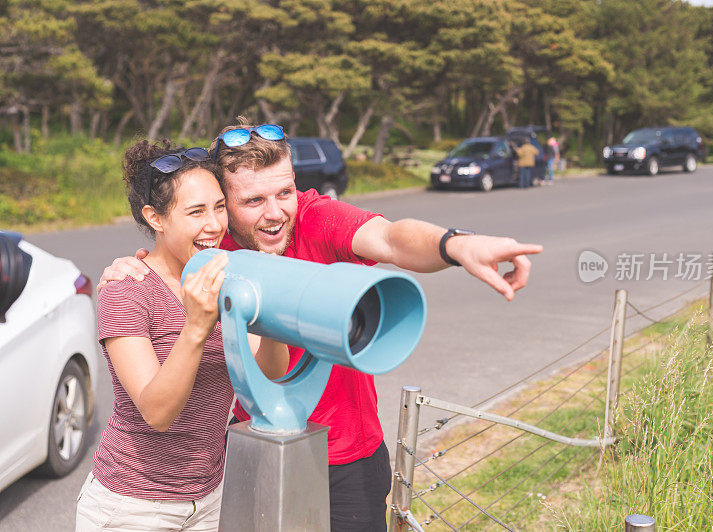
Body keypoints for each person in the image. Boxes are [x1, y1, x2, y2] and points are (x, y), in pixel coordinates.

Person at [98, 121, 543, 531]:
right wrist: (131, 269)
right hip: (252, 452)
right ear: (226, 205)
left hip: (348, 455)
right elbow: (168, 246)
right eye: (252, 201)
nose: (275, 213)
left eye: (285, 192)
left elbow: (390, 239)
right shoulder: (215, 245)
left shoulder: (315, 217)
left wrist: (456, 245)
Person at [76, 140, 288, 532]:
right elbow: (157, 413)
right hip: (131, 506)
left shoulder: (227, 277)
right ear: (155, 218)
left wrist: (269, 311)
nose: (214, 225)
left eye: (219, 207)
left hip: (208, 499)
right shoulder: (128, 290)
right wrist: (196, 326)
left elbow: (271, 373)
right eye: (196, 212)